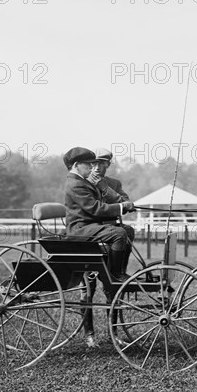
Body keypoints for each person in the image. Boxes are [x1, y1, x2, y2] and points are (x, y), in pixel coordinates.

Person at [63, 146, 135, 347]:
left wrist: (106, 189)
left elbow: (122, 201)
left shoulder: (107, 183)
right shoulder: (77, 183)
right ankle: (89, 335)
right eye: (91, 163)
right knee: (88, 290)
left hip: (101, 235)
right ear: (78, 165)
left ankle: (116, 273)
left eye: (101, 163)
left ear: (108, 165)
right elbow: (95, 209)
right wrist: (121, 207)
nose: (96, 167)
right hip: (86, 234)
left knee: (126, 231)